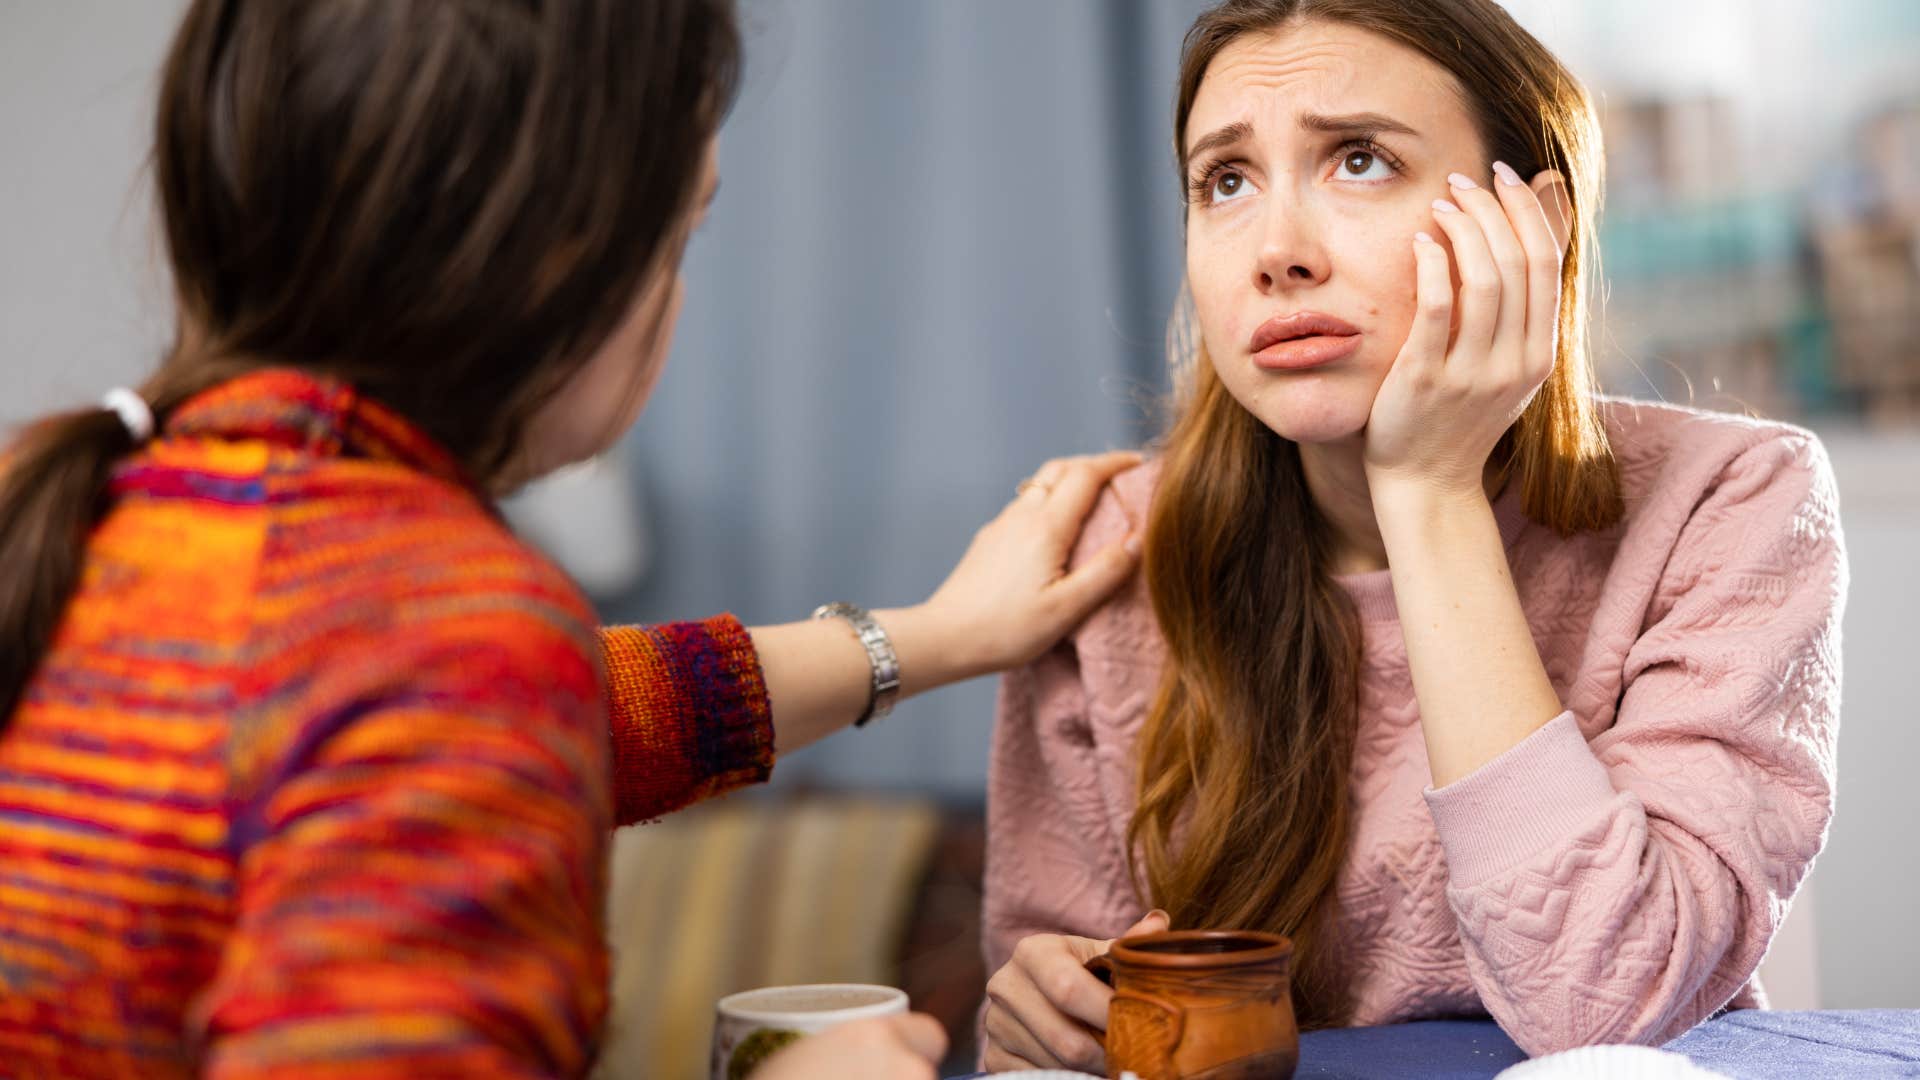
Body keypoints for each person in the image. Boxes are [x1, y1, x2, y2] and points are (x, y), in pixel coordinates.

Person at [0, 2, 1140, 1077]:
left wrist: (940, 634)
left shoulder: (111, 522)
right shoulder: (440, 630)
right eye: (683, 227)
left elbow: (599, 707)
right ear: (569, 256)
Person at [979, 0, 1845, 1072]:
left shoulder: (1732, 501)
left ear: (1536, 225)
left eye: (1359, 160)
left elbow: (1602, 1004)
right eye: (1226, 182)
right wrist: (1041, 1018)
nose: (1278, 253)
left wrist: (1430, 492)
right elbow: (1076, 1024)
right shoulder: (1111, 550)